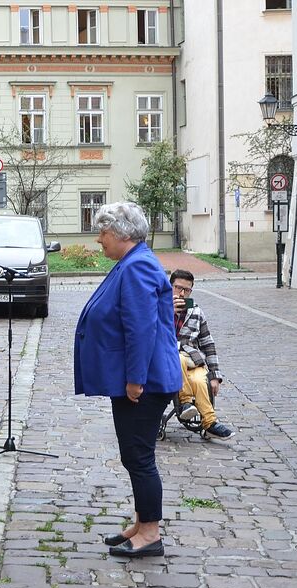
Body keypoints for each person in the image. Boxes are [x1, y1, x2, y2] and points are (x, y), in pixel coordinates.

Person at [73, 202, 181, 559]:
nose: (98, 239)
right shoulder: (132, 262)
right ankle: (141, 522)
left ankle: (150, 534)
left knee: (139, 456)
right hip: (139, 380)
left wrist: (135, 380)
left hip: (144, 383)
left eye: (102, 231)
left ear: (121, 233)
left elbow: (141, 330)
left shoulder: (137, 268)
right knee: (134, 455)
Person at [170, 269, 235, 440]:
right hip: (170, 360)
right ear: (170, 287)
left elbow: (208, 343)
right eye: (178, 288)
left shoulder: (196, 312)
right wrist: (168, 310)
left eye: (187, 290)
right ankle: (185, 403)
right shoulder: (158, 308)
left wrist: (215, 376)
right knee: (177, 358)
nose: (182, 293)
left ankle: (209, 424)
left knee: (200, 380)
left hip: (193, 361)